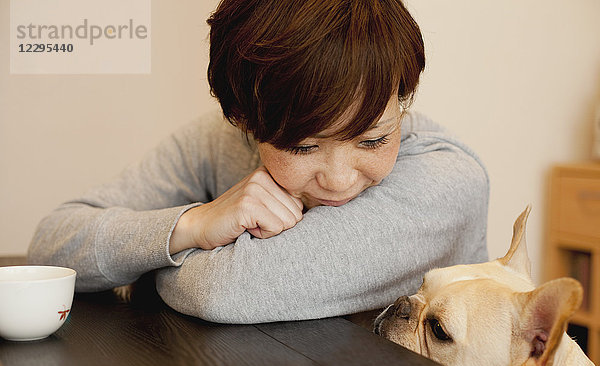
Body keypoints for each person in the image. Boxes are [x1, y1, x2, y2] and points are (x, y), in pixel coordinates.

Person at [28, 0, 489, 324]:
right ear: (244, 121)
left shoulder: (447, 181)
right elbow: (52, 248)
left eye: (372, 140)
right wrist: (191, 225)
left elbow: (225, 291)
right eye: (304, 148)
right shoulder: (217, 139)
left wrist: (146, 268)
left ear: (401, 103)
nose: (340, 179)